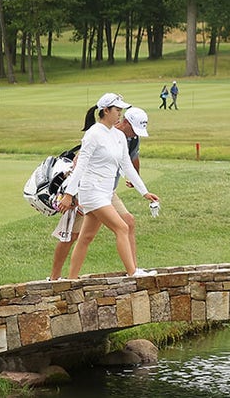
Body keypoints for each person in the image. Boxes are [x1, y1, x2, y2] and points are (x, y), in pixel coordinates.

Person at [56, 93, 159, 279]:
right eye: (117, 110)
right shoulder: (93, 134)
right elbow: (81, 166)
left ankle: (71, 279)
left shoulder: (118, 135)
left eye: (121, 110)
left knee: (86, 237)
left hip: (105, 192)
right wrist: (69, 194)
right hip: (91, 191)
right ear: (105, 111)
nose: (120, 114)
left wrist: (144, 192)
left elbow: (127, 165)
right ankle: (132, 272)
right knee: (122, 227)